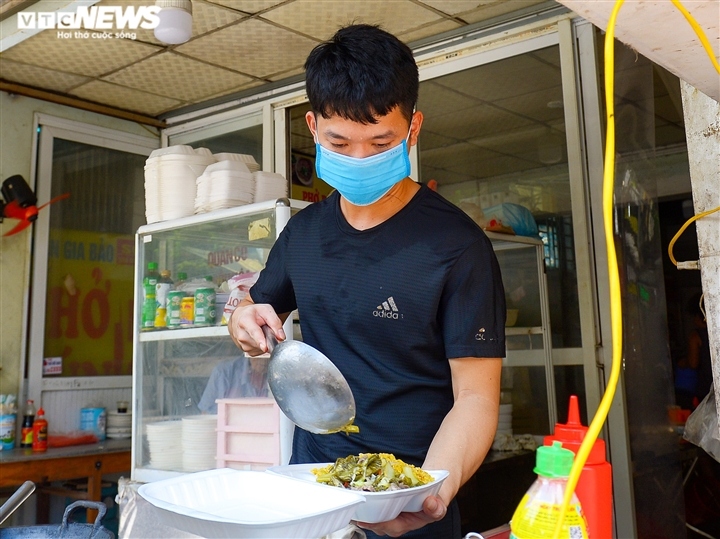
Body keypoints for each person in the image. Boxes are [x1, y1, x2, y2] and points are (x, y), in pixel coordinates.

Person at [229, 23, 505, 538]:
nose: (360, 159)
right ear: (312, 127)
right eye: (339, 141)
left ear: (413, 128)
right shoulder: (304, 233)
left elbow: (476, 398)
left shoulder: (457, 246)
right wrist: (243, 319)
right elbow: (254, 312)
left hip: (414, 493)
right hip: (315, 493)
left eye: (381, 143)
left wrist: (430, 493)